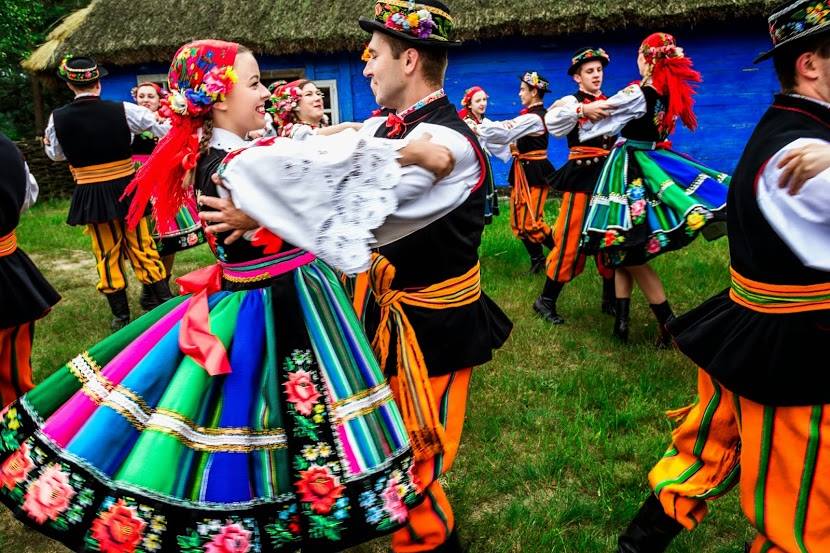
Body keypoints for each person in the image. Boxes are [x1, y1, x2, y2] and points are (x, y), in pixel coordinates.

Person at [0, 38, 469, 552]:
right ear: (220, 98)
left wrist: (342, 135)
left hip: (264, 292)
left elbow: (302, 153)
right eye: (254, 83)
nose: (265, 93)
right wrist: (413, 151)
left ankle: (289, 511)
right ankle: (294, 511)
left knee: (265, 413)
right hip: (277, 302)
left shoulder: (226, 154)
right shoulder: (243, 163)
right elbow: (323, 173)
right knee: (282, 408)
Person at [617, 5, 830, 551]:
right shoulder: (802, 154)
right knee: (804, 516)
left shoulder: (807, 136)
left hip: (760, 334)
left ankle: (639, 541)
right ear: (809, 64)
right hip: (796, 350)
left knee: (708, 445)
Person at [356, 2, 513, 551]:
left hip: (433, 324)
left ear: (409, 61)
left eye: (374, 55)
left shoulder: (451, 142)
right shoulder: (392, 127)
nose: (365, 66)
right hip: (388, 309)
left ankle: (431, 541)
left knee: (417, 456)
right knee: (390, 442)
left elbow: (355, 200)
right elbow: (345, 146)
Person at [578, 33, 730, 346]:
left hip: (632, 168)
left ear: (648, 59)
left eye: (639, 54)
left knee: (630, 249)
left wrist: (576, 111)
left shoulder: (639, 92)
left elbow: (603, 117)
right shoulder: (665, 92)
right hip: (647, 160)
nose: (636, 59)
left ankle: (670, 325)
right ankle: (621, 324)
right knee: (622, 248)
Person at [43, 56, 173, 331]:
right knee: (141, 244)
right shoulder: (124, 110)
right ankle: (165, 304)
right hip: (126, 188)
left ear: (70, 85)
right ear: (98, 83)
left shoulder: (57, 118)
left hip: (91, 192)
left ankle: (121, 317)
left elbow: (55, 154)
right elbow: (163, 129)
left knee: (105, 250)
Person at [533, 47, 617, 324]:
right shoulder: (571, 102)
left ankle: (610, 299)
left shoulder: (609, 101)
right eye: (589, 71)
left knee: (608, 233)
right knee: (572, 237)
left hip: (606, 177)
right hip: (581, 177)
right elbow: (552, 122)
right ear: (577, 78)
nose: (596, 75)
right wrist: (582, 109)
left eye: (599, 70)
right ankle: (545, 300)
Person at [0, 133, 60, 406]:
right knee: (12, 375)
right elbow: (27, 197)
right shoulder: (7, 148)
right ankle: (16, 428)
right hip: (7, 271)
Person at [478, 71, 556, 273]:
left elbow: (505, 131)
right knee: (518, 224)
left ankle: (563, 252)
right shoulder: (527, 116)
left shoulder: (535, 118)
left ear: (534, 92)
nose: (520, 93)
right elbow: (507, 135)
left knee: (532, 223)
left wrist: (478, 128)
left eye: (523, 90)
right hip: (522, 172)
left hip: (535, 173)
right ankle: (538, 260)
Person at [130, 81, 205, 286]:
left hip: (165, 176)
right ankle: (151, 284)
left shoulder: (171, 121)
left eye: (150, 96)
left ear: (159, 100)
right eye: (141, 96)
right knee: (145, 234)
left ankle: (163, 281)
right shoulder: (129, 121)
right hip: (140, 177)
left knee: (168, 235)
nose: (145, 100)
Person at [459, 85, 499, 223]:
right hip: (470, 162)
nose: (483, 103)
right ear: (469, 104)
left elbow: (492, 129)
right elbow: (476, 130)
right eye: (478, 101)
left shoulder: (481, 119)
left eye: (484, 99)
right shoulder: (466, 120)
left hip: (481, 158)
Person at [269, 79, 361, 139]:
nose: (318, 98)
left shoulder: (324, 129)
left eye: (318, 93)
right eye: (309, 94)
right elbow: (311, 138)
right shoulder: (293, 132)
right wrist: (347, 126)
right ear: (294, 105)